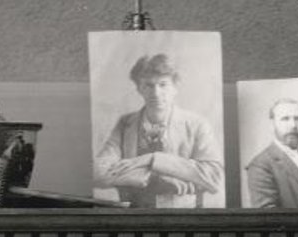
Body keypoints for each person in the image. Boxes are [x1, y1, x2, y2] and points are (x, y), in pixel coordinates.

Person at [94, 52, 224, 208]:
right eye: (148, 85)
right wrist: (153, 178)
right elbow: (98, 172)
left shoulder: (196, 124)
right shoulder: (125, 123)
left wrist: (153, 159)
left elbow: (214, 176)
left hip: (184, 215)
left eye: (163, 84)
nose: (155, 93)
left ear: (175, 87)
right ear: (139, 88)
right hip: (133, 214)